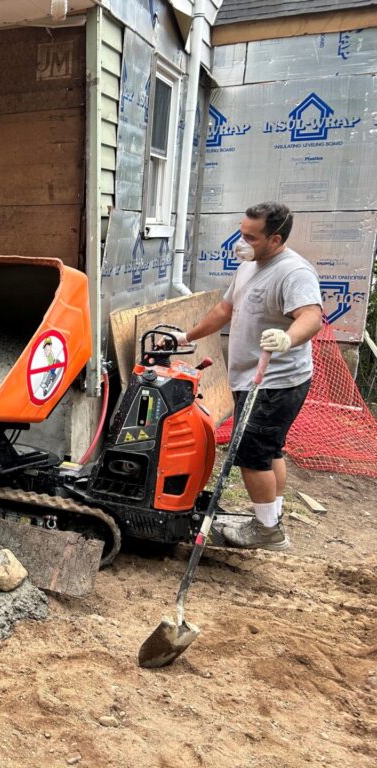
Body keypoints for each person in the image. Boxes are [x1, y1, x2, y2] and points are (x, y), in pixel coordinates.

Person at [177, 202, 323, 550]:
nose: (241, 242)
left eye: (251, 237)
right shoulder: (250, 264)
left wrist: (288, 338)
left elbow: (311, 316)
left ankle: (266, 530)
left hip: (275, 383)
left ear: (275, 240)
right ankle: (272, 515)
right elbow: (225, 309)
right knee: (270, 451)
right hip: (251, 378)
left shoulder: (293, 272)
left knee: (251, 453)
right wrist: (187, 337)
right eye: (241, 233)